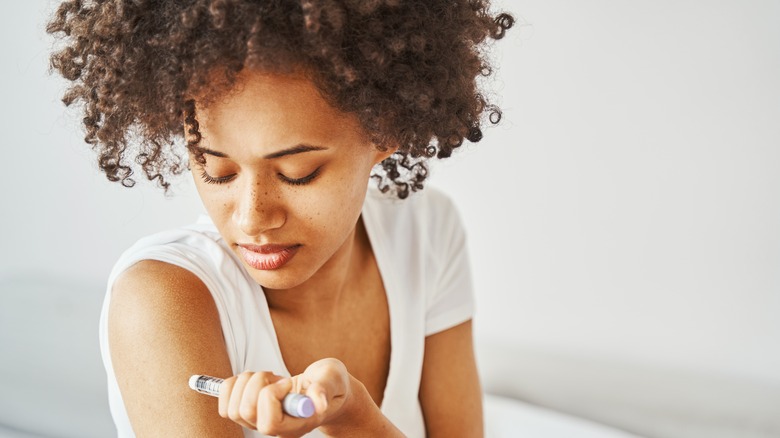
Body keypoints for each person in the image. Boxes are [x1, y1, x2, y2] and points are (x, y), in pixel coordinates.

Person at [47, 1, 513, 436]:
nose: (252, 219)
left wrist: (354, 417)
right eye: (217, 169)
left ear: (384, 130)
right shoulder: (161, 299)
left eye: (297, 173)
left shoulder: (427, 232)